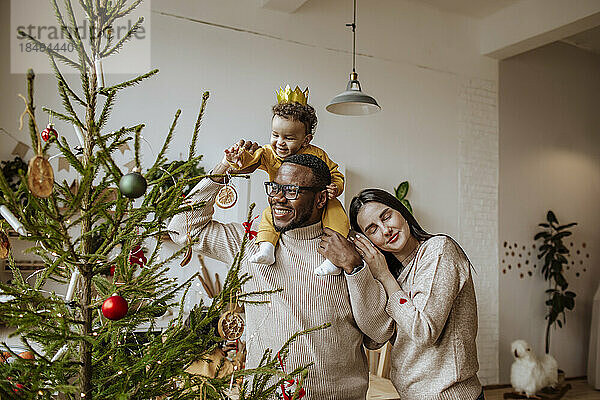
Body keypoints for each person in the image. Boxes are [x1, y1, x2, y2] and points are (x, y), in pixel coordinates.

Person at [168, 152, 393, 399]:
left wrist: (354, 267)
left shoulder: (351, 250)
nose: (277, 198)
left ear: (320, 198)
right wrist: (225, 167)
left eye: (291, 191)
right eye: (274, 188)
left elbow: (379, 335)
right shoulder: (249, 243)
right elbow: (181, 227)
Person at [336, 188, 484, 400]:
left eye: (386, 216)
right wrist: (358, 271)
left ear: (402, 211)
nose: (385, 230)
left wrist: (384, 276)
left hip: (452, 395)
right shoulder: (393, 278)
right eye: (372, 229)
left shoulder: (439, 251)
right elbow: (375, 339)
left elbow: (424, 331)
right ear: (368, 241)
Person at [223, 85, 348, 276]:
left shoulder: (317, 154)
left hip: (317, 202)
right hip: (283, 202)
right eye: (275, 135)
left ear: (306, 140)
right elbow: (252, 160)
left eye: (288, 138)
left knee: (337, 213)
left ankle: (333, 259)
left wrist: (335, 187)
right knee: (268, 214)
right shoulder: (268, 152)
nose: (280, 142)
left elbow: (335, 173)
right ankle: (266, 248)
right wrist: (239, 158)